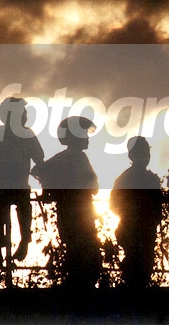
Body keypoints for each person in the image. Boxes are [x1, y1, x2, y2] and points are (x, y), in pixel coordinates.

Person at [0, 97, 44, 267]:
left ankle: (20, 241)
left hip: (15, 187)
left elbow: (40, 161)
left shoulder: (25, 135)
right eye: (23, 113)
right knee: (2, 205)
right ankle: (0, 246)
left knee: (14, 203)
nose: (25, 117)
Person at [31, 116, 102, 289]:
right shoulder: (79, 157)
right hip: (82, 213)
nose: (87, 138)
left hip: (66, 212)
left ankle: (75, 286)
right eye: (84, 134)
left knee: (74, 250)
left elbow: (37, 170)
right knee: (87, 251)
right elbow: (94, 186)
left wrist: (52, 188)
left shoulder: (61, 157)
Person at [111, 136, 164, 289]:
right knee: (144, 263)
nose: (146, 156)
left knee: (134, 263)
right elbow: (157, 204)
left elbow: (113, 204)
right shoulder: (151, 179)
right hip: (144, 228)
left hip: (130, 227)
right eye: (144, 152)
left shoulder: (123, 178)